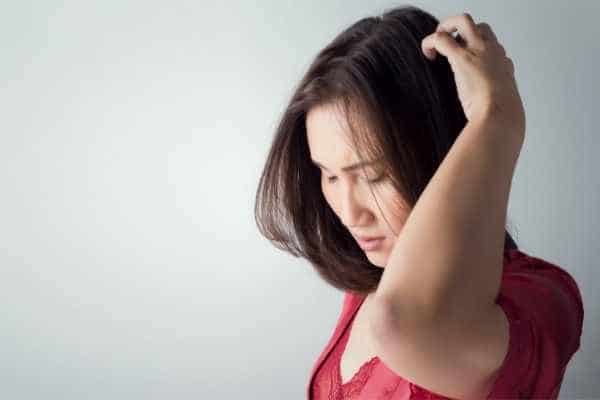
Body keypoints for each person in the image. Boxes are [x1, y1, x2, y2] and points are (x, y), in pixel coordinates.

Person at [254, 5, 583, 399]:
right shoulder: (370, 282)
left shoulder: (541, 300)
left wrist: (498, 117)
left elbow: (402, 321)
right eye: (329, 174)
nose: (349, 211)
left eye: (374, 175)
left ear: (441, 151)